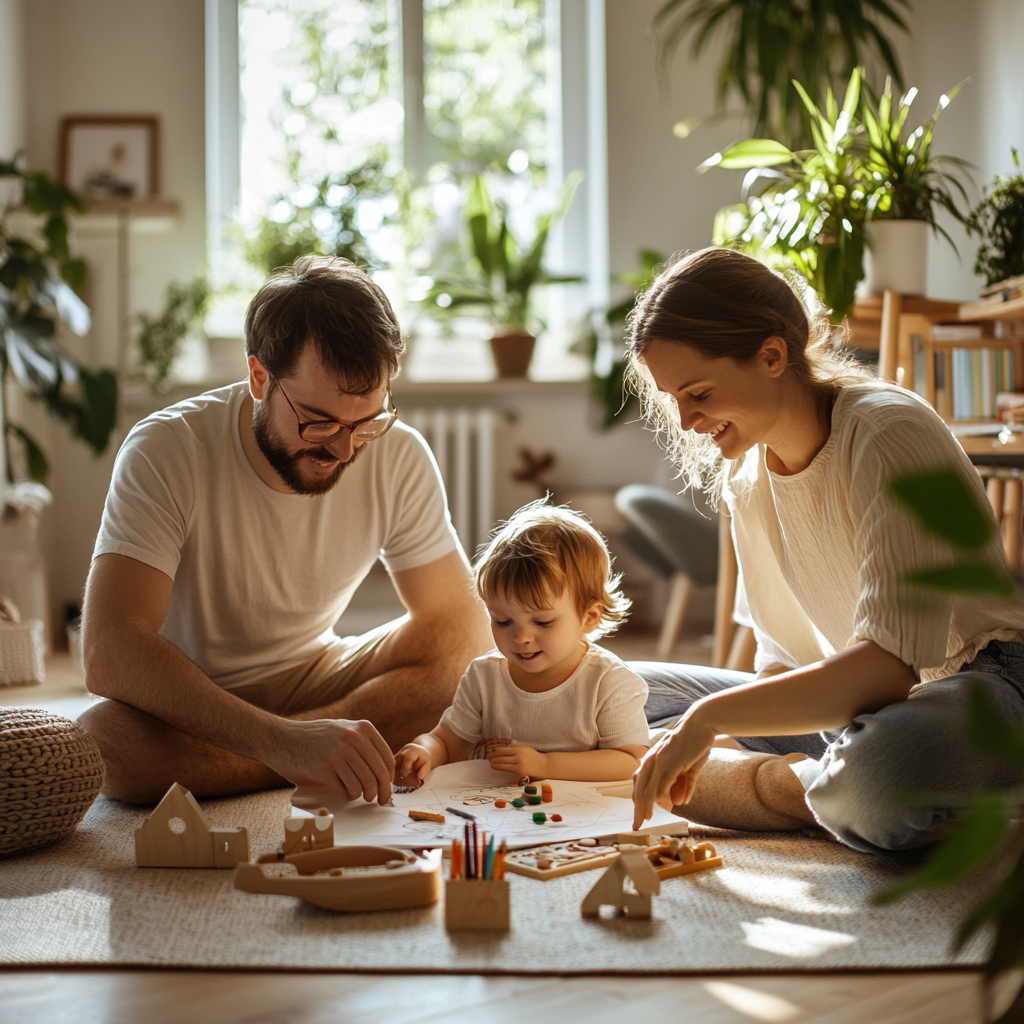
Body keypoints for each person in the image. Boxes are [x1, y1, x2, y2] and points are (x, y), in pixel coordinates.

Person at [625, 247, 1024, 854]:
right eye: (674, 398)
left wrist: (710, 723)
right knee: (621, 693)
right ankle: (823, 793)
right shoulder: (748, 478)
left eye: (698, 392)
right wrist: (721, 723)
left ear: (772, 355)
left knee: (877, 779)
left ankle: (805, 794)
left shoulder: (886, 432)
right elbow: (783, 661)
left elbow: (889, 668)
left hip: (986, 687)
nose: (685, 421)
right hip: (859, 714)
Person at [79, 256, 492, 806]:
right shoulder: (167, 448)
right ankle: (321, 750)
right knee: (108, 746)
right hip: (190, 696)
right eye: (318, 421)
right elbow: (110, 649)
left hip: (316, 673)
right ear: (259, 378)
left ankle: (312, 750)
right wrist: (284, 742)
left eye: (365, 422)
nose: (344, 449)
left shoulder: (400, 453)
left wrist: (302, 733)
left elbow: (456, 623)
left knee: (464, 654)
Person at [394, 502, 651, 785]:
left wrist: (545, 763)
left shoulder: (610, 682)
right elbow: (446, 742)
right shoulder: (484, 676)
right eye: (503, 621)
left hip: (577, 816)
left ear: (589, 617)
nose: (520, 638)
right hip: (506, 818)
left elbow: (632, 761)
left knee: (665, 738)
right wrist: (424, 750)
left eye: (542, 622)